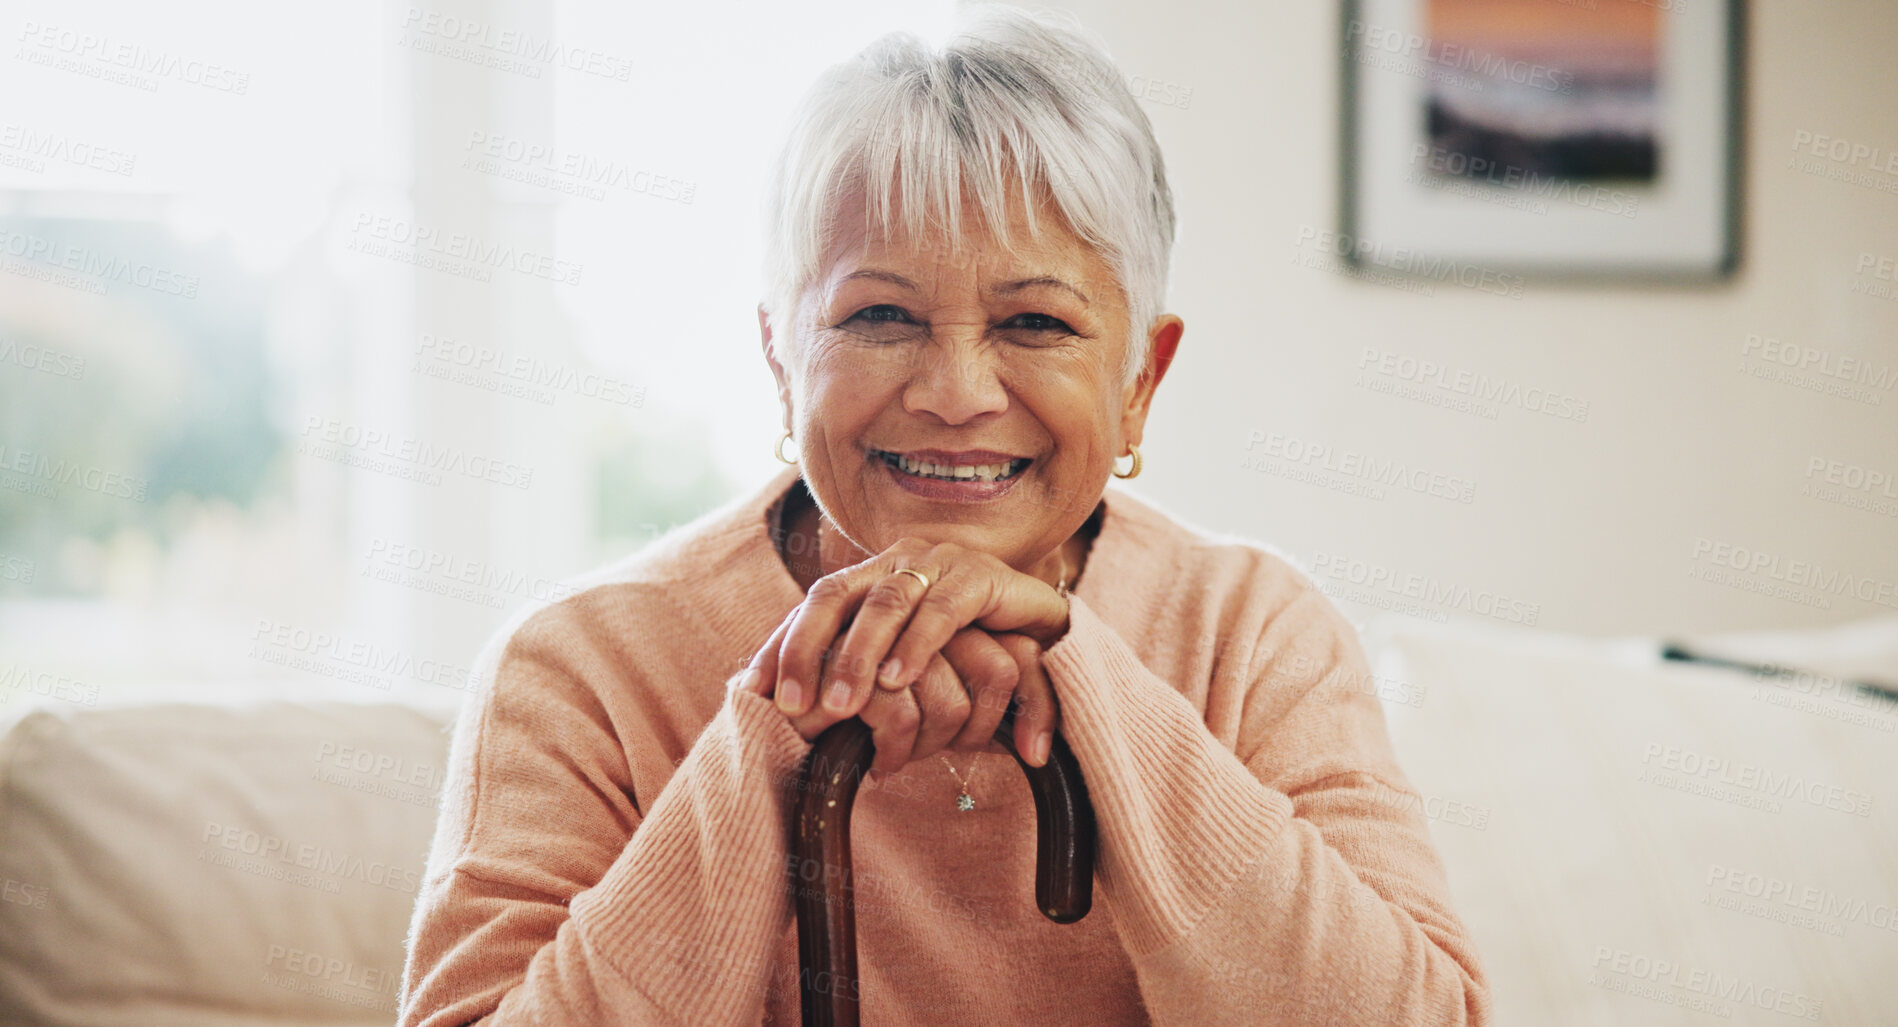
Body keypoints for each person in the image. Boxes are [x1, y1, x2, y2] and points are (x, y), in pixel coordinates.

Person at [396, 4, 1490, 1023]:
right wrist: (774, 732)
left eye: (1036, 323)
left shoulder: (1255, 633)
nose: (956, 391)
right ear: (783, 360)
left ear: (1140, 381)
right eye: (879, 314)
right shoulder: (580, 664)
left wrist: (1087, 676)